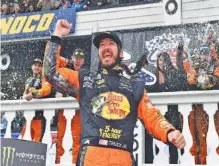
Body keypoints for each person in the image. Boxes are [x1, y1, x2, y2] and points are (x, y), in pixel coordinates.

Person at [43, 19, 186, 166]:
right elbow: (51, 73)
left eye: (111, 44)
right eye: (102, 45)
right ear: (98, 53)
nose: (106, 48)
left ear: (121, 52)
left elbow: (152, 116)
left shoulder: (135, 86)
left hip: (123, 158)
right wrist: (56, 37)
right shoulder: (84, 79)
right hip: (91, 158)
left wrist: (169, 132)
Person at [23, 58, 52, 142]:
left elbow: (46, 91)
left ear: (42, 68)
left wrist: (33, 94)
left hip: (40, 116)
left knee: (38, 143)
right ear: (32, 66)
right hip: (27, 116)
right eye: (35, 65)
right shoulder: (28, 80)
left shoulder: (44, 79)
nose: (37, 67)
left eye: (39, 66)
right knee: (24, 142)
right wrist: (24, 96)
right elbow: (24, 94)